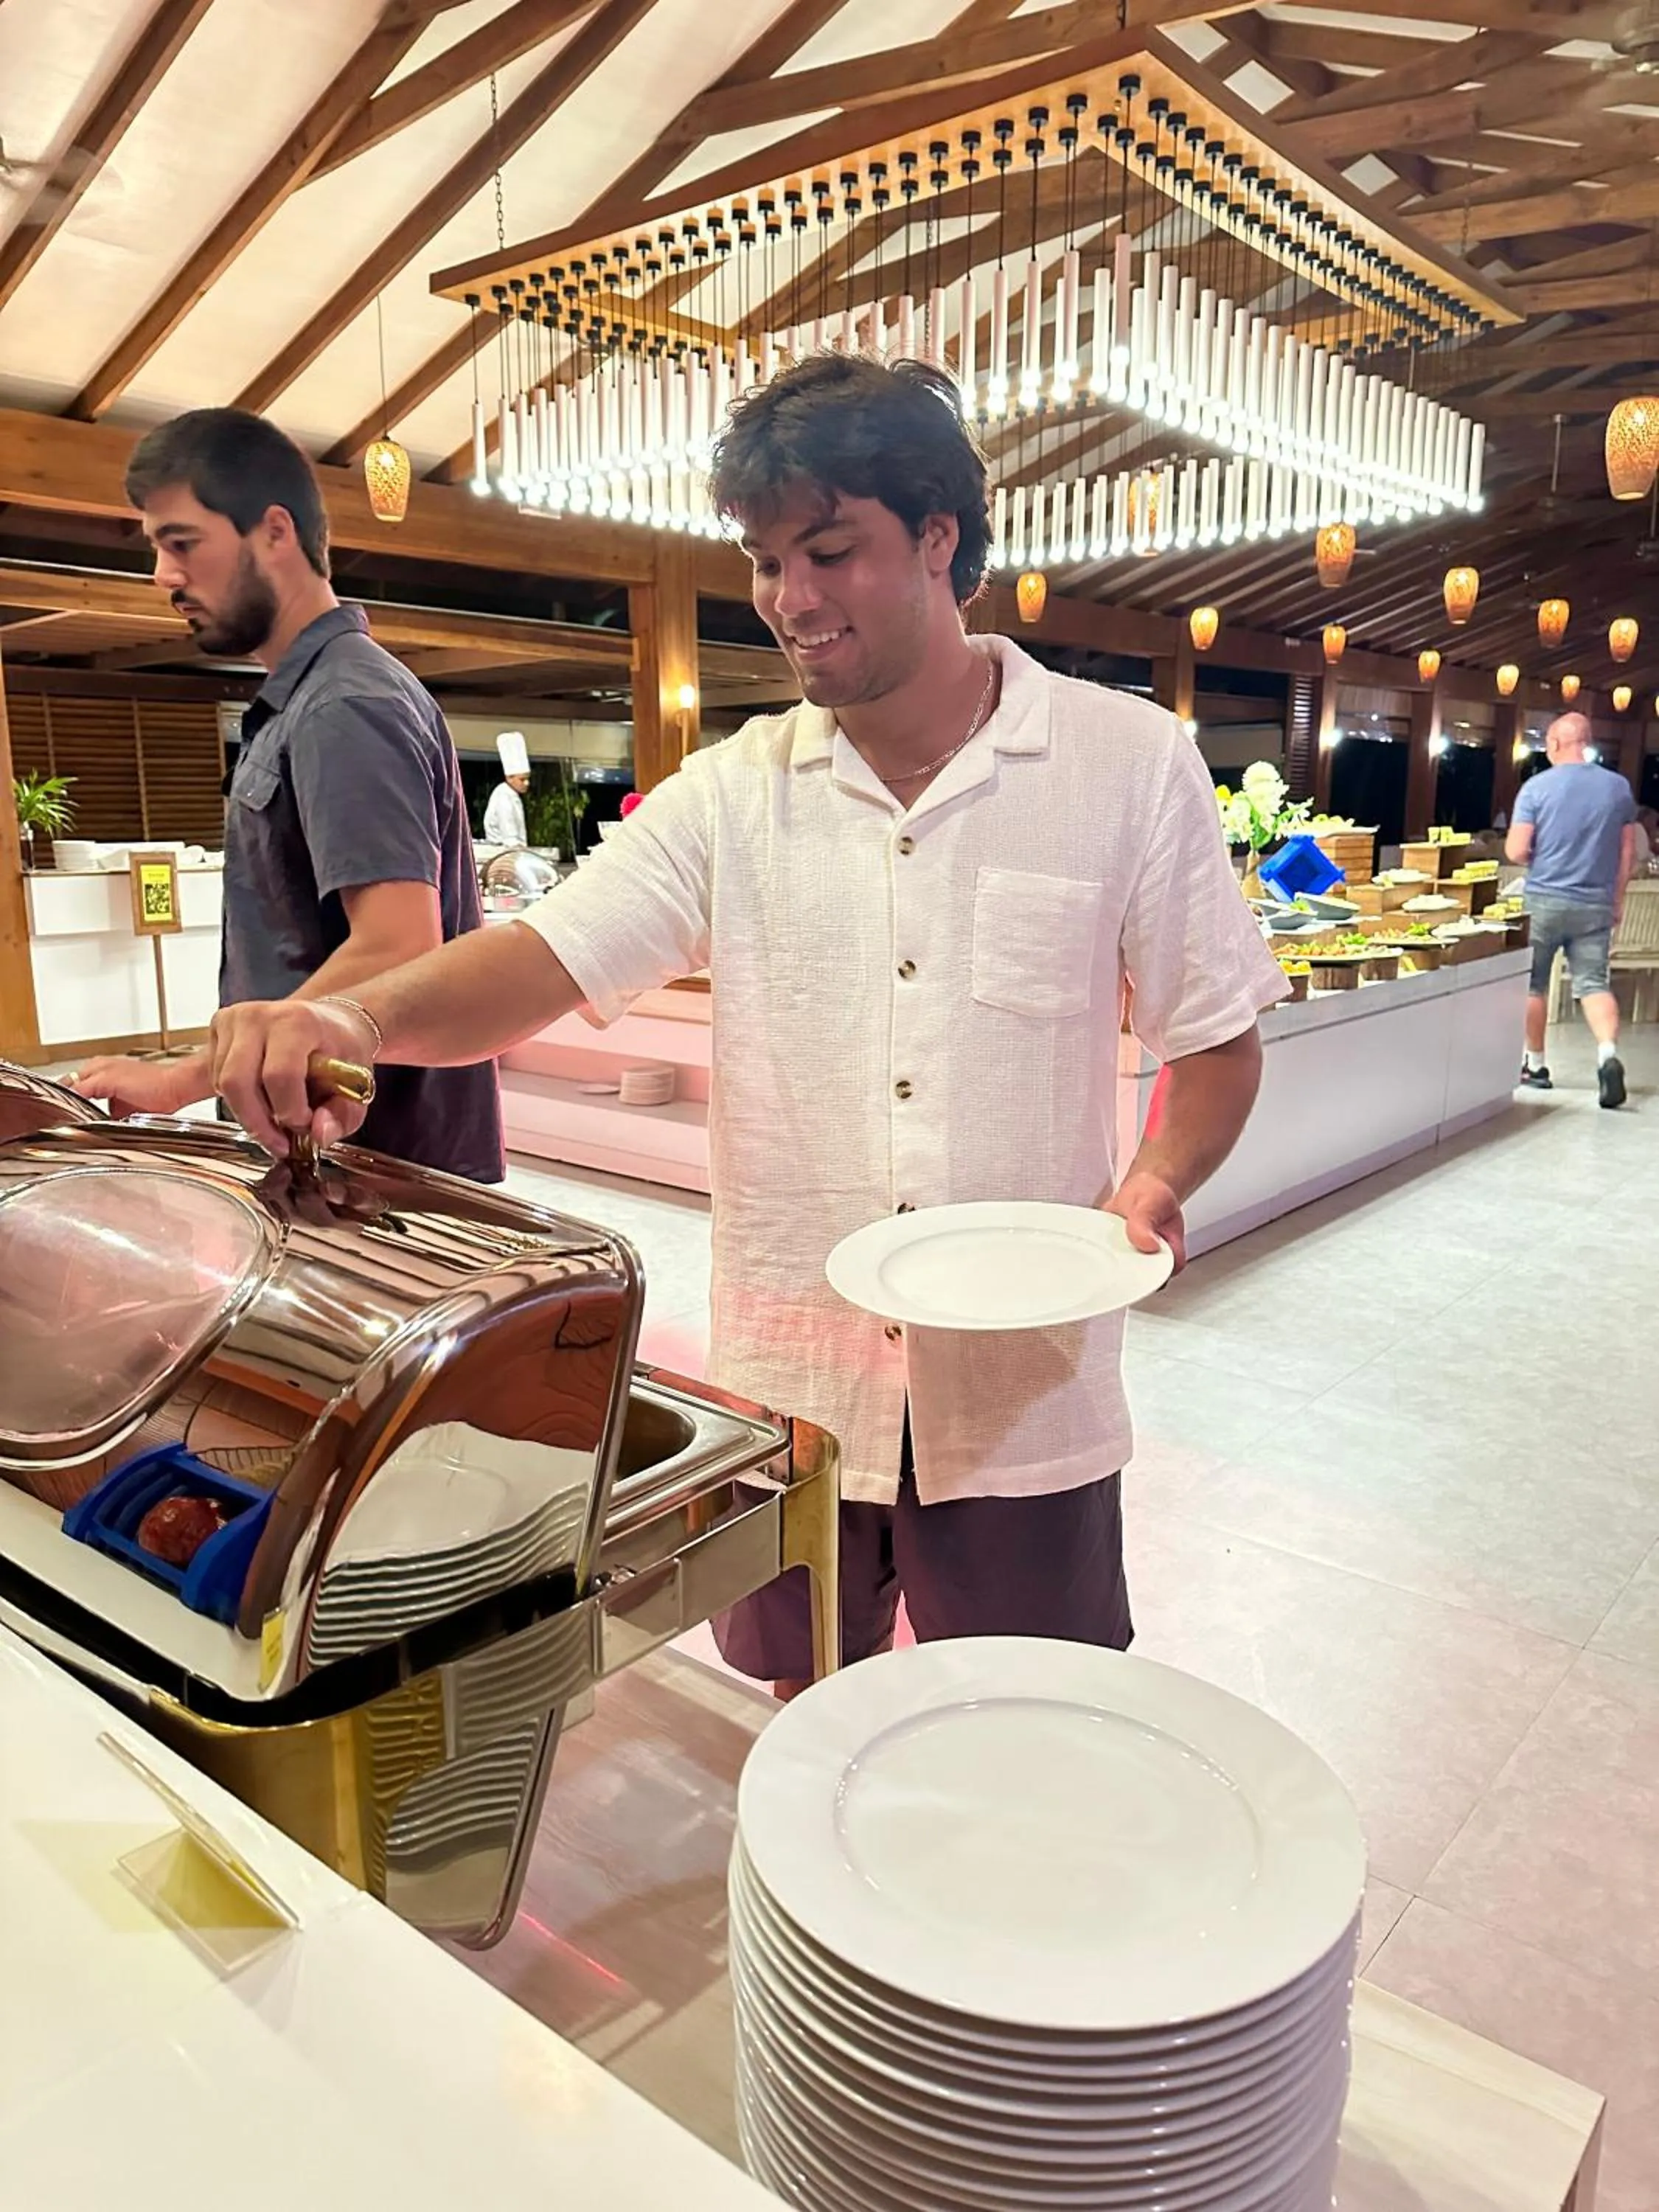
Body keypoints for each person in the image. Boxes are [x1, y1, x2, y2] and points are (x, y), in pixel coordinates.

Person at [209, 354, 1285, 1689]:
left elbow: (1217, 1035)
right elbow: (534, 959)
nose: (788, 600)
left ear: (940, 539)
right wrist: (344, 1018)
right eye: (767, 561)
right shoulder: (733, 794)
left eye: (829, 551)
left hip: (1025, 1378)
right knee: (800, 1688)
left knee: (1035, 1711)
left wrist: (1153, 1182)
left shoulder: (1123, 764)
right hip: (801, 1377)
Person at [71, 407, 504, 1183]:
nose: (163, 577)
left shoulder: (346, 703)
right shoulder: (307, 700)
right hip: (329, 1147)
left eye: (181, 543)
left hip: (374, 1160)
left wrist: (181, 1078)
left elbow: (400, 943)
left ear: (275, 531)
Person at [1506, 709, 1640, 1109]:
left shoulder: (1536, 788)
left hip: (1544, 899)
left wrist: (1538, 856)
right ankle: (1608, 1055)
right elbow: (1628, 852)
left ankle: (1537, 1065)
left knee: (1534, 984)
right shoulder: (1618, 788)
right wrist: (1616, 900)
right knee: (1594, 984)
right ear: (1588, 742)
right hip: (1595, 903)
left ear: (1555, 744)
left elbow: (1515, 849)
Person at [484, 731, 532, 846]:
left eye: (528, 778)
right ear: (510, 778)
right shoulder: (503, 796)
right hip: (504, 852)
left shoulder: (511, 794)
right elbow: (510, 835)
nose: (527, 783)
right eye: (522, 779)